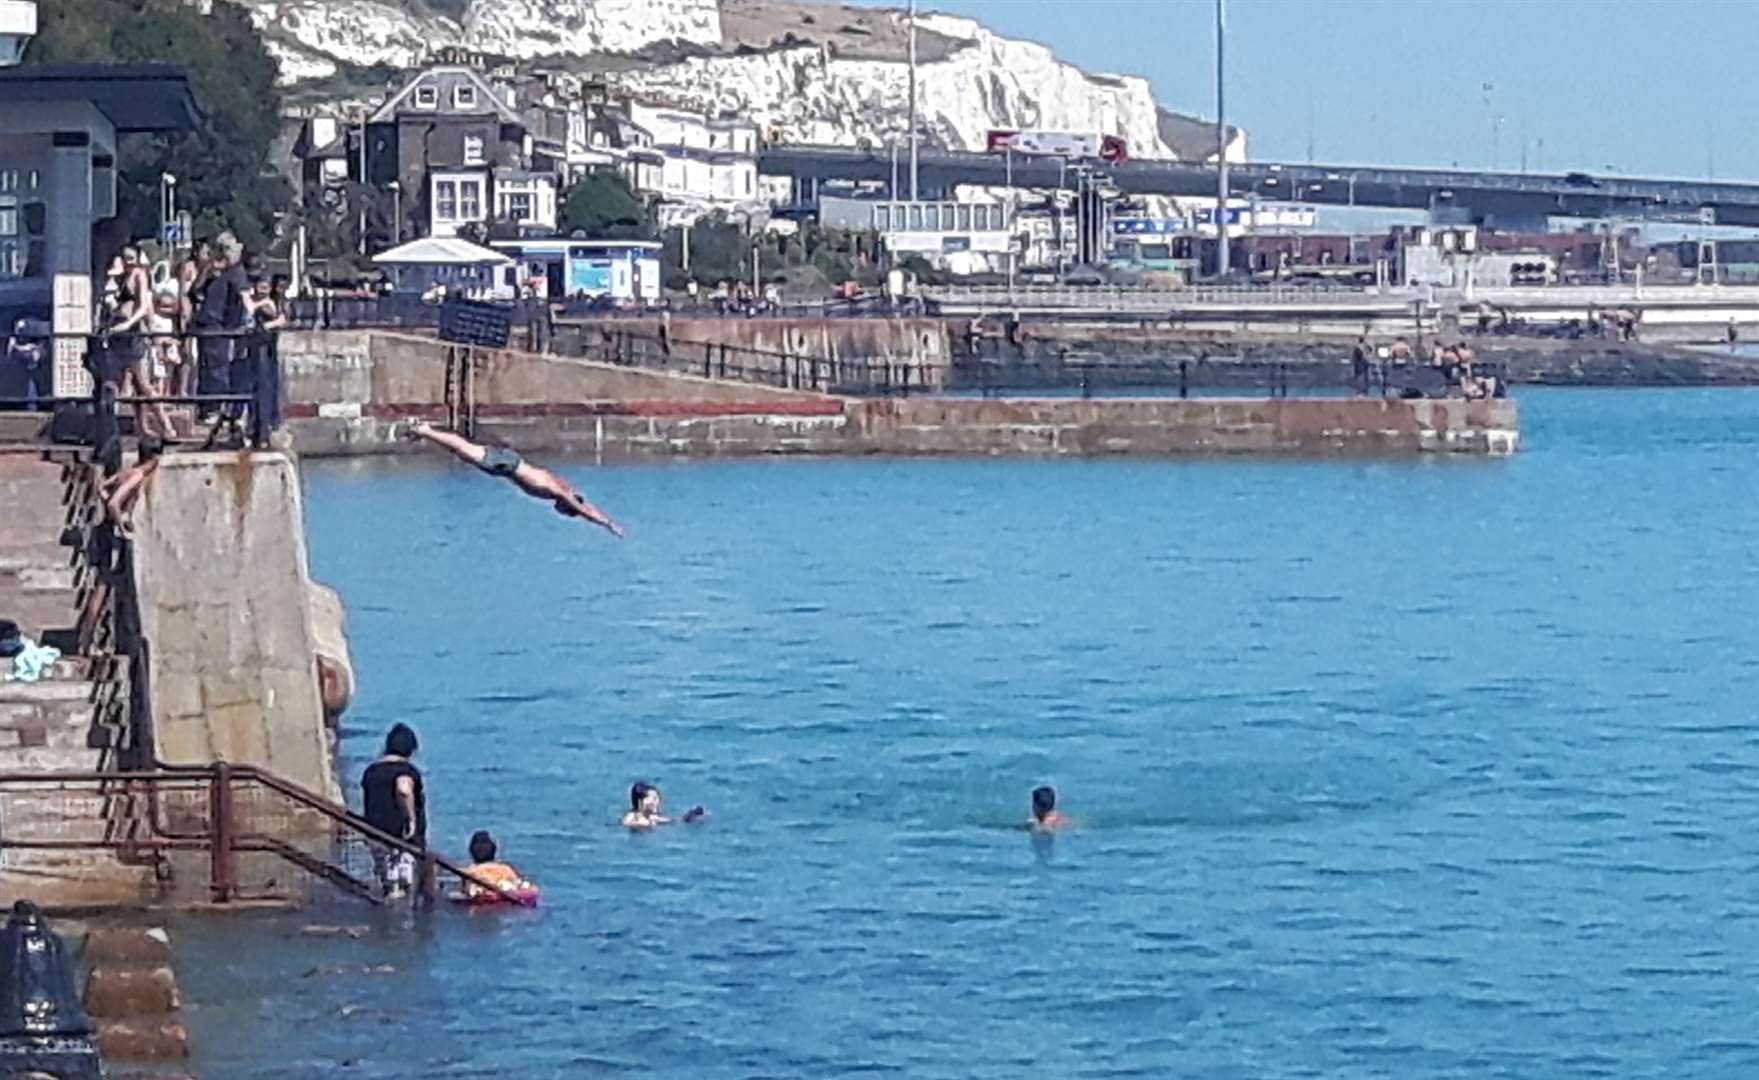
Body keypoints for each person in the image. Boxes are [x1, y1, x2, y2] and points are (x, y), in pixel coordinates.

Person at [408, 422, 625, 537]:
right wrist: (607, 524)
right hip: (508, 465)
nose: (559, 512)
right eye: (565, 512)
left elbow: (585, 506)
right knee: (463, 448)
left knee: (462, 452)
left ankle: (425, 433)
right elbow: (583, 509)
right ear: (565, 506)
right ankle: (425, 430)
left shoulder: (563, 487)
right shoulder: (559, 492)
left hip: (507, 466)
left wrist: (604, 520)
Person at [361, 723, 426, 900]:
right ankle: (402, 924)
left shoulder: (370, 771)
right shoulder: (406, 770)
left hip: (374, 834)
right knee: (405, 886)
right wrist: (411, 821)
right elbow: (403, 790)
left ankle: (386, 921)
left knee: (388, 883)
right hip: (401, 839)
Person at [192, 233, 248, 418]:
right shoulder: (213, 272)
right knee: (207, 368)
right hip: (208, 322)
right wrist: (207, 270)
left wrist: (246, 322)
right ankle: (208, 407)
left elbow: (244, 297)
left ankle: (216, 407)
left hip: (222, 325)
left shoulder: (236, 273)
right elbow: (195, 291)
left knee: (219, 368)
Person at [99, 436, 165, 539]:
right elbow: (113, 503)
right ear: (155, 458)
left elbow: (101, 487)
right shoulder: (137, 476)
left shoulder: (130, 470)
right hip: (130, 531)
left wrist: (107, 500)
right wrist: (123, 529)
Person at [457, 830, 538, 903]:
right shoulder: (506, 869)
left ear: (471, 851)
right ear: (494, 850)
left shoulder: (469, 872)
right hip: (506, 897)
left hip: (483, 900)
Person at [621, 782, 704, 830]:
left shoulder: (649, 817)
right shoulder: (638, 817)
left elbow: (676, 820)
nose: (656, 802)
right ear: (642, 801)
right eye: (653, 799)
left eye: (656, 799)